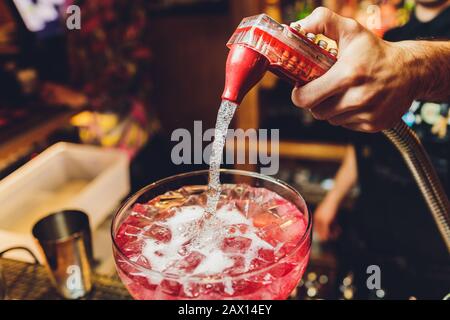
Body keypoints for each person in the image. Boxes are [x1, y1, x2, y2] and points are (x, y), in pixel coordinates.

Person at [291, 3, 450, 299]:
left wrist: (415, 66)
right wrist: (333, 198)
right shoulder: (389, 38)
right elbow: (368, 142)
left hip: (436, 245)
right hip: (376, 229)